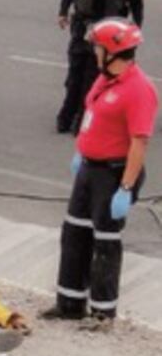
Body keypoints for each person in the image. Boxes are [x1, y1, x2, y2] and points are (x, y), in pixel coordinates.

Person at [44, 18, 157, 331]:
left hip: (113, 174)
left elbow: (139, 142)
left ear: (112, 51)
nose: (94, 50)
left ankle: (102, 314)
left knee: (105, 243)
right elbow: (93, 116)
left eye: (98, 46)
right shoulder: (104, 79)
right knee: (74, 234)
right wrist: (81, 151)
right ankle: (69, 304)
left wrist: (126, 187)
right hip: (89, 169)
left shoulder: (138, 89)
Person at [56, 0, 143, 133]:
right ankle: (69, 118)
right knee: (82, 73)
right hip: (95, 28)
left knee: (88, 74)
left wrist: (138, 24)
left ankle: (75, 119)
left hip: (106, 27)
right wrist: (62, 11)